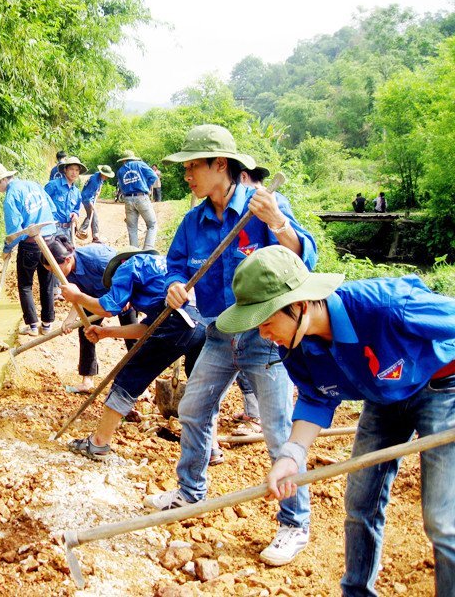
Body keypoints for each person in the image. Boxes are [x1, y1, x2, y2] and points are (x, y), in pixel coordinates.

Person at [216, 245, 455, 597]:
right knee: (361, 504)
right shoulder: (294, 344)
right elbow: (315, 398)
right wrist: (291, 455)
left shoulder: (388, 306)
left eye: (266, 322)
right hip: (383, 397)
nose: (264, 335)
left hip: (442, 387)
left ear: (298, 305)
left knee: (442, 521)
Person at [145, 124, 318, 568]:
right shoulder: (193, 221)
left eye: (192, 167)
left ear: (220, 165)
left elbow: (305, 259)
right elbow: (174, 266)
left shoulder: (263, 207)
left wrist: (277, 222)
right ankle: (189, 492)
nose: (187, 176)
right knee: (193, 409)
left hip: (268, 338)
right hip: (220, 334)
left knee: (280, 433)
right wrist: (175, 286)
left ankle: (294, 523)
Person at [60, 248, 207, 461]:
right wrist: (105, 333)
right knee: (200, 385)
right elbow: (149, 327)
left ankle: (99, 443)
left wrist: (78, 296)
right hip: (204, 323)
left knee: (128, 376)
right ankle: (208, 449)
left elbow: (109, 308)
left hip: (180, 322)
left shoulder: (129, 265)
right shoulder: (163, 270)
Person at [42, 236, 138, 394]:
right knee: (86, 330)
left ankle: (139, 382)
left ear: (67, 259)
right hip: (95, 298)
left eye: (54, 270)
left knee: (132, 336)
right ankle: (87, 381)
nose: (55, 274)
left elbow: (126, 269)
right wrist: (70, 319)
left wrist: (128, 295)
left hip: (121, 293)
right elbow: (78, 294)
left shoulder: (97, 258)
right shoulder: (64, 272)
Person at [0, 162, 56, 336]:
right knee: (47, 282)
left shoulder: (11, 196)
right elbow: (52, 208)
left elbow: (15, 231)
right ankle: (47, 324)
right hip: (50, 240)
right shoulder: (33, 185)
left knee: (25, 285)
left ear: (2, 181)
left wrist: (7, 249)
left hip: (31, 244)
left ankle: (33, 326)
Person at [117, 150, 159, 250]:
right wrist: (147, 186)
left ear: (124, 161)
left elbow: (121, 187)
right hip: (141, 197)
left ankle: (134, 252)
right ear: (133, 158)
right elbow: (153, 176)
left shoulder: (120, 171)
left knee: (132, 229)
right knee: (152, 224)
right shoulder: (139, 164)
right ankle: (148, 249)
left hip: (128, 199)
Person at [45, 156, 86, 244]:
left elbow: (76, 208)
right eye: (71, 169)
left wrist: (75, 214)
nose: (74, 172)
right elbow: (42, 203)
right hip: (53, 230)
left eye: (77, 170)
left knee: (67, 256)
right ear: (65, 169)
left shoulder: (76, 192)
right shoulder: (53, 185)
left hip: (68, 231)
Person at [77, 164, 114, 244]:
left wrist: (99, 190)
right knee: (94, 216)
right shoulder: (94, 180)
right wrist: (91, 205)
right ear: (102, 173)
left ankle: (82, 230)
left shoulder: (99, 175)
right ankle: (95, 237)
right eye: (106, 176)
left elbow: (101, 182)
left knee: (91, 216)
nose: (107, 177)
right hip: (87, 200)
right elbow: (87, 195)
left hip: (90, 198)